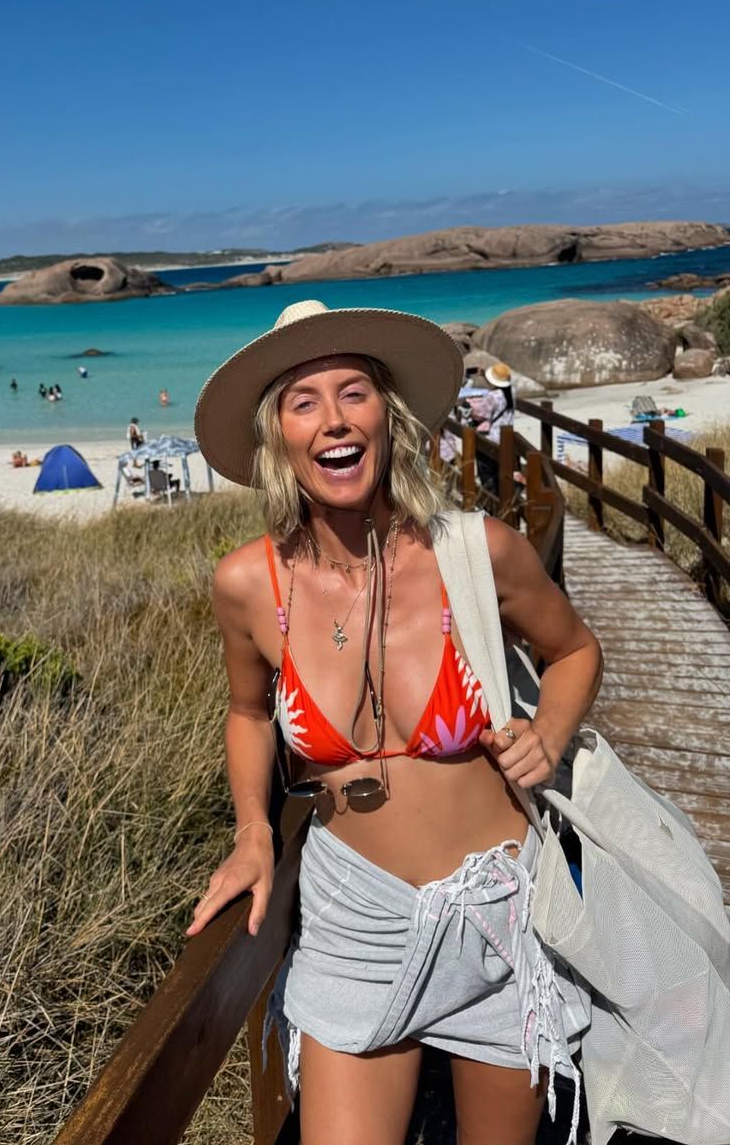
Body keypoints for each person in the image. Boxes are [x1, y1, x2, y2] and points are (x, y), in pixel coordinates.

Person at [188, 300, 600, 1145]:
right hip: (356, 918)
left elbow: (574, 650)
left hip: (497, 911)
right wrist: (254, 831)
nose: (334, 419)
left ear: (389, 416)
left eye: (354, 393)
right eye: (304, 402)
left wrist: (549, 736)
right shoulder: (247, 584)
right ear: (277, 438)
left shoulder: (477, 551)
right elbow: (247, 712)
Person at [467, 362, 515, 498]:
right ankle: (504, 500)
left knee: (487, 472)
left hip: (491, 439)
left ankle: (490, 502)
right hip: (506, 438)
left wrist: (470, 405)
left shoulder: (493, 396)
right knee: (501, 472)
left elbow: (479, 414)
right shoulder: (512, 392)